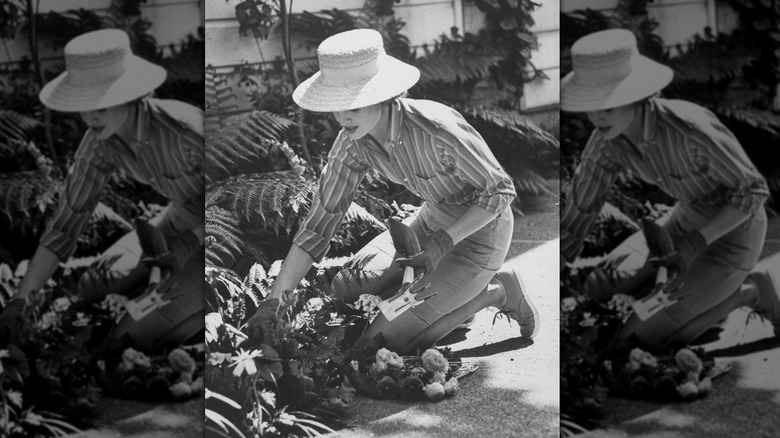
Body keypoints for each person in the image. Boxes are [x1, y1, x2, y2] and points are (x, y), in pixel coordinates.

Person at [247, 29, 539, 354]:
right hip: (425, 225)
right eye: (336, 105)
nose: (342, 117)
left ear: (381, 95)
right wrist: (274, 302)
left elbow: (500, 191)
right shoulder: (352, 142)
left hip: (480, 236)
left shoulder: (437, 130)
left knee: (379, 347)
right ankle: (444, 297)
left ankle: (496, 290)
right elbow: (317, 227)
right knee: (345, 288)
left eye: (353, 105)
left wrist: (443, 243)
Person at [561, 29, 778, 352]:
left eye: (607, 104)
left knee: (635, 341)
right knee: (594, 288)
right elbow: (580, 209)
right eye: (590, 105)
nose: (597, 116)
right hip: (682, 222)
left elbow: (754, 191)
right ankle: (694, 295)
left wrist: (698, 241)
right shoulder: (606, 141)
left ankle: (748, 291)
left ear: (635, 95)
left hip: (734, 233)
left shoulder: (690, 129)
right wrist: (558, 267)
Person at [0, 29, 205, 350]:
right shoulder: (99, 141)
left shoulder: (186, 130)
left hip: (224, 239)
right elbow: (66, 223)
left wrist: (190, 243)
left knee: (131, 337)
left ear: (129, 95)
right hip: (178, 221)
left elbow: (233, 201)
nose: (89, 116)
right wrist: (21, 302)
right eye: (83, 104)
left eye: (101, 104)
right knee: (89, 284)